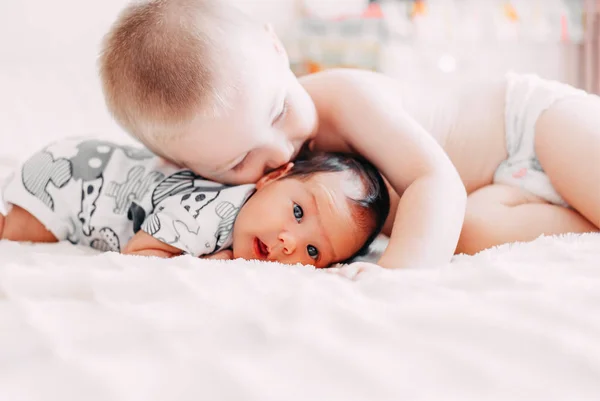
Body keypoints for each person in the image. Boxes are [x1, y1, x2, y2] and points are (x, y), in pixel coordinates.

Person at [98, 0, 600, 268]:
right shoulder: (214, 167)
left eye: (277, 110)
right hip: (489, 195)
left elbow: (433, 181)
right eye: (237, 161)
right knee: (464, 233)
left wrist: (398, 276)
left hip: (530, 126)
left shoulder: (345, 99)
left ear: (277, 50)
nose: (279, 151)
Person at [0, 138, 389, 268]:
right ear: (271, 177)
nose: (289, 243)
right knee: (15, 230)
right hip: (74, 177)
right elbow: (140, 255)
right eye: (299, 212)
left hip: (90, 162)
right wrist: (209, 264)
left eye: (313, 250)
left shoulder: (245, 226)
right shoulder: (209, 214)